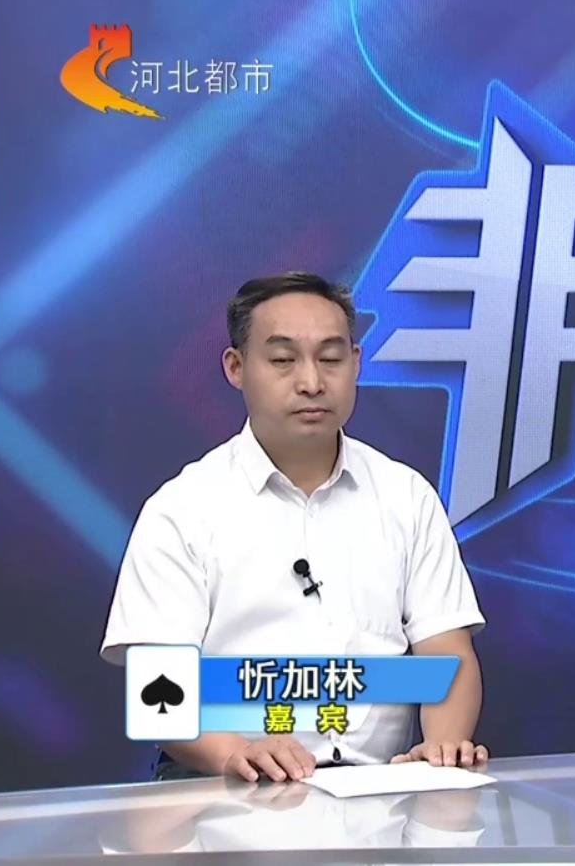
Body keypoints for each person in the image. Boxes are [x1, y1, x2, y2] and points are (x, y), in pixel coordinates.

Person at [101, 272, 489, 782]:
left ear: (356, 363)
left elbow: (447, 652)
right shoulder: (181, 510)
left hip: (378, 791)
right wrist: (233, 754)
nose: (311, 382)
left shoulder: (406, 497)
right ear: (236, 367)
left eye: (331, 359)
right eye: (283, 360)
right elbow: (159, 691)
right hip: (222, 791)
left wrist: (441, 749)